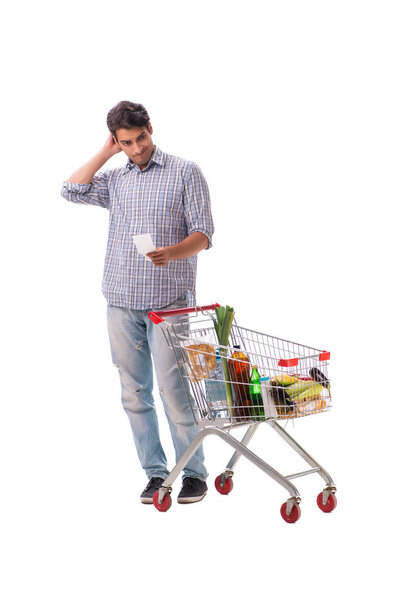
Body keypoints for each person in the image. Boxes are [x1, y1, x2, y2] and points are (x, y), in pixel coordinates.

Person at [61, 100, 214, 504]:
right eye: (126, 143)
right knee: (134, 394)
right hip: (121, 301)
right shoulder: (116, 179)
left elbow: (204, 233)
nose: (137, 148)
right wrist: (105, 152)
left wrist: (173, 252)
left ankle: (194, 473)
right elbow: (71, 189)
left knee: (174, 391)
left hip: (167, 304)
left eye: (140, 138)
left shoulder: (185, 171)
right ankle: (155, 473)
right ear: (118, 141)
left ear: (150, 128)